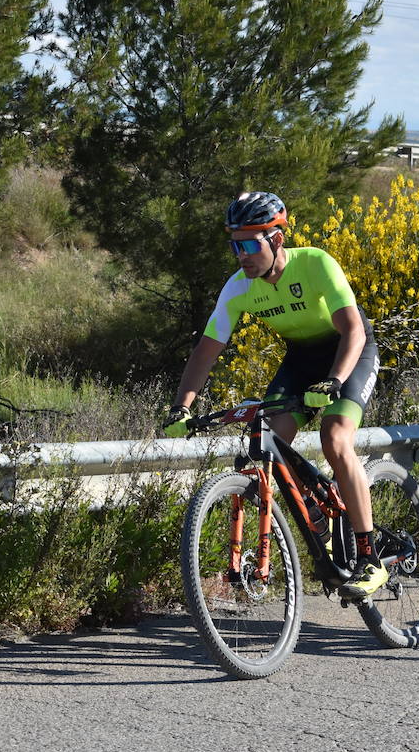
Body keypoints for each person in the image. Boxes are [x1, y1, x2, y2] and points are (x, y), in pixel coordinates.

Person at [162, 192, 386, 601]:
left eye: (250, 244)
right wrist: (183, 405)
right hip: (301, 360)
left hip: (348, 351)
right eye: (235, 245)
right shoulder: (239, 286)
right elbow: (206, 350)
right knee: (270, 444)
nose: (241, 255)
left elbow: (353, 330)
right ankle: (319, 518)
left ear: (277, 240)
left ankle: (369, 558)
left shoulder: (315, 263)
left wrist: (334, 381)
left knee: (335, 439)